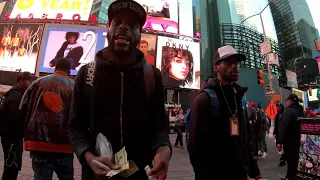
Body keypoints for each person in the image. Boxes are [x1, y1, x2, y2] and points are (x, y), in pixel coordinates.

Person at [67, 1, 171, 180]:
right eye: (117, 22)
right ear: (109, 28)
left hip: (140, 174)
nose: (123, 27)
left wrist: (164, 151)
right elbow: (75, 128)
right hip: (96, 176)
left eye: (132, 25)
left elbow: (160, 127)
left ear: (140, 35)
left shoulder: (152, 76)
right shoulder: (87, 74)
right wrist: (89, 157)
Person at [188, 45, 262, 180]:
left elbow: (245, 140)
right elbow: (195, 147)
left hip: (240, 174)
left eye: (236, 63)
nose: (235, 66)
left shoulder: (238, 97)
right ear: (216, 67)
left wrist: (254, 170)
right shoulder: (205, 99)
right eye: (228, 62)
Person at [19, 58, 74, 180]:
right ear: (69, 70)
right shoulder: (73, 86)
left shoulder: (37, 83)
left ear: (55, 67)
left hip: (38, 144)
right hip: (64, 145)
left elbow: (22, 107)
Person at [0, 71, 36, 180]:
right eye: (29, 81)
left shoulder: (14, 93)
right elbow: (14, 119)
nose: (31, 83)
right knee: (12, 166)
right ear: (21, 82)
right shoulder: (17, 97)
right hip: (12, 137)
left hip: (10, 137)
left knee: (11, 164)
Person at [277, 94, 306, 180]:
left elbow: (284, 127)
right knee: (298, 161)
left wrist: (279, 142)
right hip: (301, 141)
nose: (286, 102)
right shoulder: (302, 112)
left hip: (290, 142)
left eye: (287, 100)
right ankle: (296, 176)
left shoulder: (288, 112)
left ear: (290, 101)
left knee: (291, 161)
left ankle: (290, 177)